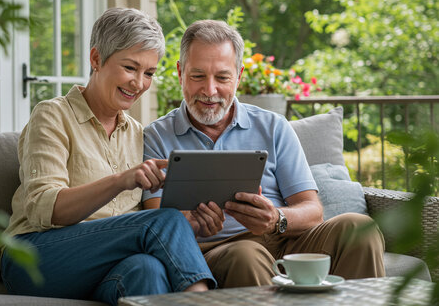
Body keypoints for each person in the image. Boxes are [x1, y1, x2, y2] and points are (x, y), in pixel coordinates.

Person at [142, 19, 385, 288]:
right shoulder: (157, 136)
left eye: (222, 77)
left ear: (239, 76)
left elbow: (313, 211)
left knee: (357, 227)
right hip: (214, 250)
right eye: (198, 76)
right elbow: (154, 223)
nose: (210, 91)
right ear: (180, 72)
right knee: (246, 254)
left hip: (283, 239)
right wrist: (192, 224)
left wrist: (275, 219)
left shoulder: (273, 126)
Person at [0, 8, 216, 305]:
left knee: (147, 269)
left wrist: (190, 224)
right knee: (163, 221)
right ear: (96, 59)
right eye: (130, 68)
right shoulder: (52, 115)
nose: (139, 83)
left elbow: (132, 228)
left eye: (149, 73)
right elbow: (44, 209)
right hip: (35, 258)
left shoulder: (139, 134)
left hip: (103, 266)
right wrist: (120, 181)